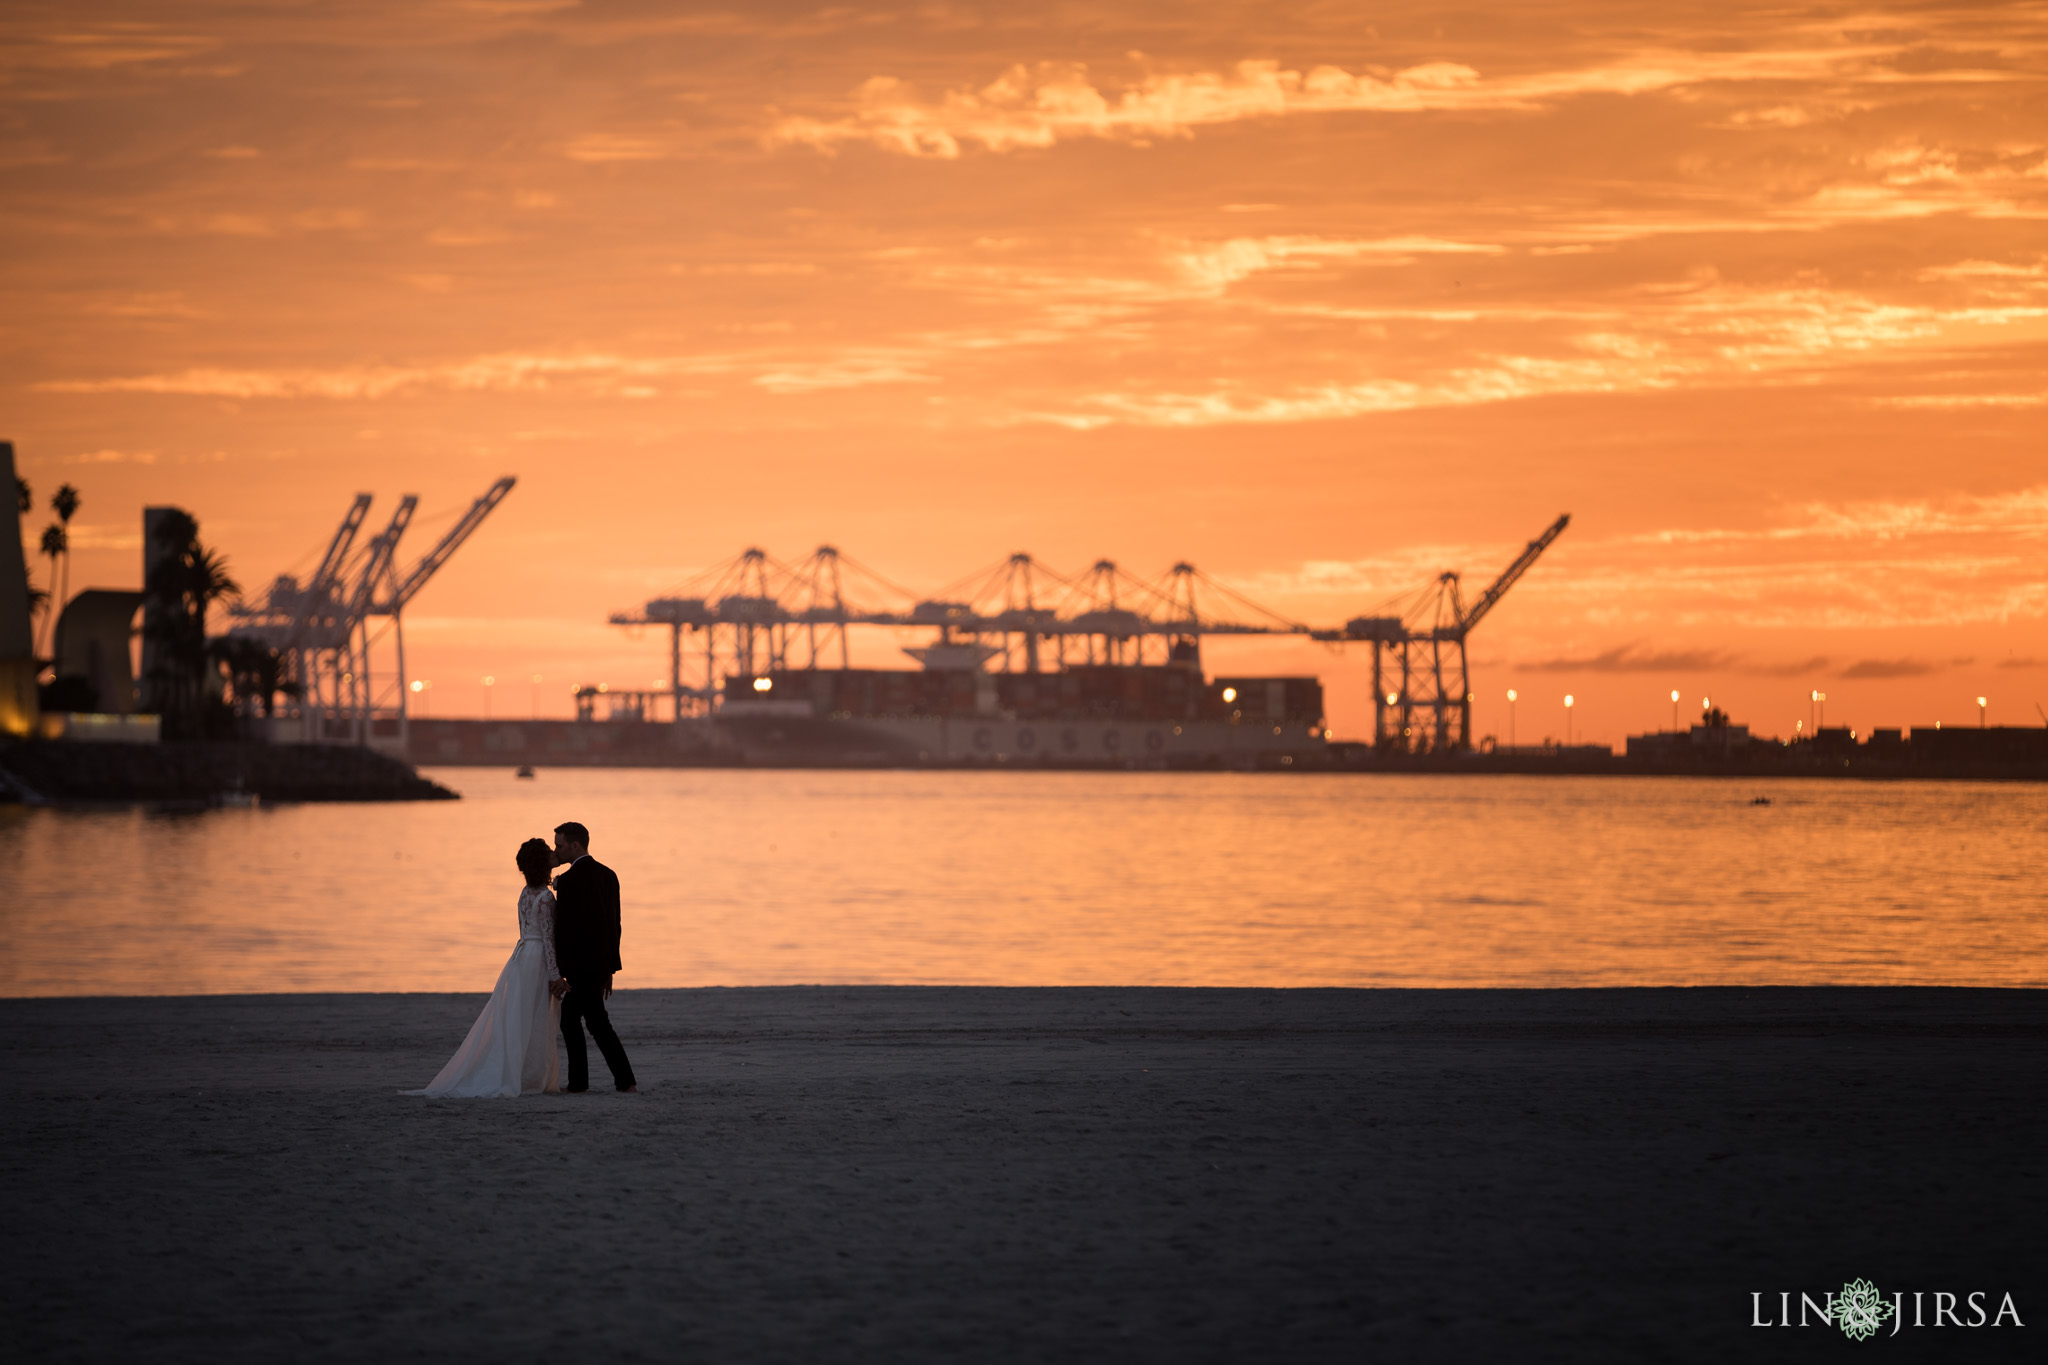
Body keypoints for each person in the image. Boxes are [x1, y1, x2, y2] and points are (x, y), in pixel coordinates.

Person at [409, 838, 565, 1098]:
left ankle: (520, 1071)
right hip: (537, 960)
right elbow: (549, 940)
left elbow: (525, 931)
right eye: (549, 851)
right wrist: (554, 975)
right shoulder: (546, 898)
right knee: (536, 1018)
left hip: (521, 956)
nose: (553, 853)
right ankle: (530, 1076)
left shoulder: (525, 893)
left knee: (519, 1017)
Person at [551, 821, 638, 1093]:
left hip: (580, 967)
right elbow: (615, 925)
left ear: (576, 845)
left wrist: (561, 972)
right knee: (591, 1022)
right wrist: (610, 969)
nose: (557, 850)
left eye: (560, 846)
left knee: (589, 1023)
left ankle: (601, 1083)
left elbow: (565, 930)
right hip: (599, 965)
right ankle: (614, 1082)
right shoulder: (608, 874)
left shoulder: (568, 881)